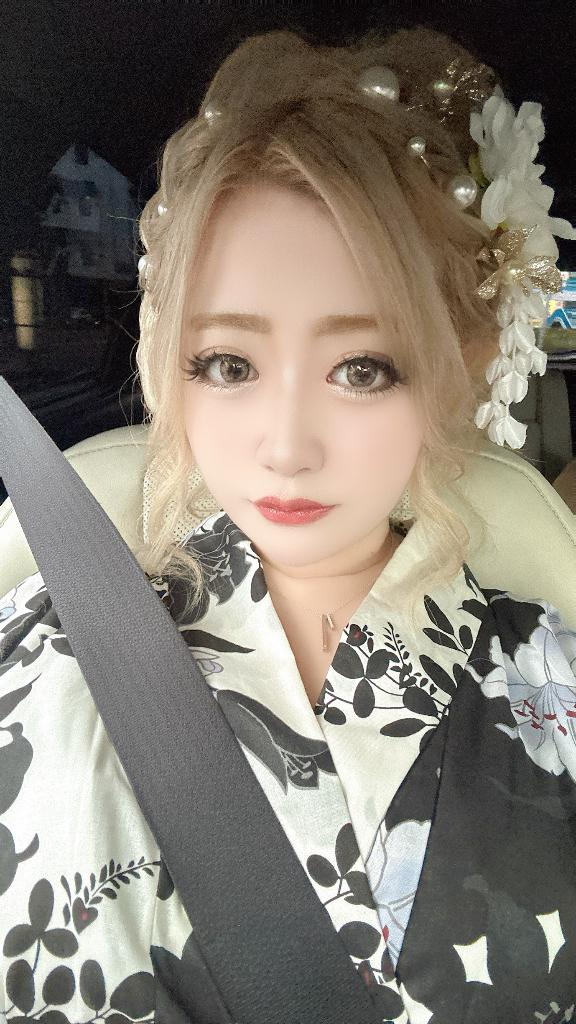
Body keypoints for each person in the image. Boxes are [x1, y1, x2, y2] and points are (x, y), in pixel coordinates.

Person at [1, 23, 576, 1024]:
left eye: (362, 368)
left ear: (449, 375)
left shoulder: (554, 677)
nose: (286, 446)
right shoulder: (44, 654)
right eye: (229, 363)